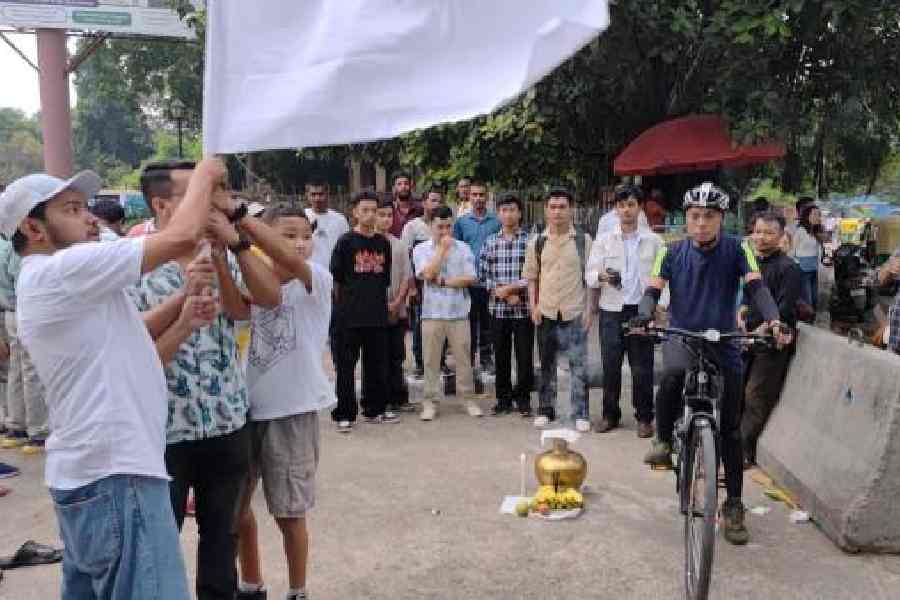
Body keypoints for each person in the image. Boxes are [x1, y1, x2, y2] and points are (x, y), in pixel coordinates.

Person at [3, 160, 226, 600]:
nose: (89, 217)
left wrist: (182, 311)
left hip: (91, 476)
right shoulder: (59, 270)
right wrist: (204, 173)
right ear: (33, 228)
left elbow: (128, 335)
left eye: (85, 207)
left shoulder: (57, 282)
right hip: (116, 474)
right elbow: (181, 236)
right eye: (70, 209)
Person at [129, 160, 283, 600]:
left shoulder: (214, 249)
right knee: (159, 544)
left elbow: (254, 305)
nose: (210, 202)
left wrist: (226, 251)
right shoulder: (129, 261)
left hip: (226, 422)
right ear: (160, 204)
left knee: (222, 539)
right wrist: (182, 305)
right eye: (196, 192)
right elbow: (130, 342)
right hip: (164, 431)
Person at [636, 182, 791, 546]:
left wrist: (773, 319)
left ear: (721, 219)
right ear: (685, 219)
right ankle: (662, 438)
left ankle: (734, 504)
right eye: (695, 216)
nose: (702, 223)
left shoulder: (740, 249)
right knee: (672, 374)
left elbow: (757, 288)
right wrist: (643, 316)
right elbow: (652, 291)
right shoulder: (670, 252)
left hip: (725, 340)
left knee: (731, 431)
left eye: (709, 216)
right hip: (682, 335)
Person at [205, 203, 332, 600]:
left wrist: (240, 228)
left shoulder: (316, 281)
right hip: (245, 411)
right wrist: (222, 262)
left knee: (289, 513)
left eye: (305, 235)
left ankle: (298, 590)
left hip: (291, 412)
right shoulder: (252, 278)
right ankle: (251, 584)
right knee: (238, 511)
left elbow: (284, 263)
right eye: (287, 234)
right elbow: (238, 311)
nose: (298, 244)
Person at [586, 185, 664, 437]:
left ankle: (644, 417)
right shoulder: (604, 241)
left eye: (631, 204)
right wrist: (602, 276)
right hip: (611, 309)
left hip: (641, 310)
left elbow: (664, 277)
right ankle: (610, 414)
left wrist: (660, 307)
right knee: (610, 365)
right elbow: (588, 275)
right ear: (615, 209)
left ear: (639, 207)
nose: (626, 210)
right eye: (621, 205)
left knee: (642, 367)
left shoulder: (654, 241)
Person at [523, 188, 593, 431]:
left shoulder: (583, 240)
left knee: (578, 364)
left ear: (571, 209)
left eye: (562, 207)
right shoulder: (537, 242)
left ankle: (581, 412)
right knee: (547, 364)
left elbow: (590, 279)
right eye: (552, 207)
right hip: (547, 311)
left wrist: (589, 310)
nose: (557, 212)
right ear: (546, 210)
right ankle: (546, 409)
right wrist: (533, 306)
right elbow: (532, 278)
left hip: (575, 310)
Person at [330, 190, 397, 432]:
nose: (370, 215)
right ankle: (344, 414)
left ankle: (375, 409)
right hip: (349, 316)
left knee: (376, 365)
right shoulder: (346, 242)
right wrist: (340, 312)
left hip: (376, 314)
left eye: (374, 211)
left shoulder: (383, 244)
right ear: (355, 213)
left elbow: (384, 280)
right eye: (365, 210)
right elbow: (336, 280)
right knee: (346, 368)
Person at [739, 211, 801, 466]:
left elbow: (785, 310)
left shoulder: (789, 269)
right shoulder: (751, 263)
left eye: (769, 233)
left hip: (772, 341)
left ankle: (744, 451)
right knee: (737, 392)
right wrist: (740, 317)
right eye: (758, 231)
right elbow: (746, 299)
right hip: (745, 338)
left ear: (780, 236)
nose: (762, 237)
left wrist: (761, 331)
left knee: (756, 395)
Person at [413, 206, 481, 421]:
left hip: (459, 311)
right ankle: (430, 401)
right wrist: (441, 251)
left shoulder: (463, 248)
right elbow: (427, 273)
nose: (444, 231)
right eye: (439, 227)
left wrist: (444, 281)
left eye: (448, 226)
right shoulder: (420, 249)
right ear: (430, 226)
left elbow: (471, 278)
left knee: (463, 359)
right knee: (431, 360)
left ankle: (468, 398)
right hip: (432, 312)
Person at [478, 192, 533, 417]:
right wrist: (500, 293)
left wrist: (511, 290)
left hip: (523, 308)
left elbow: (533, 274)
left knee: (524, 356)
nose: (508, 214)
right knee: (500, 355)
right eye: (504, 210)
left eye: (512, 210)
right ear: (498, 214)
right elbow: (482, 275)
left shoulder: (530, 241)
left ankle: (523, 399)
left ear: (519, 213)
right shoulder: (490, 242)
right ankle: (503, 399)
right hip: (497, 310)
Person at [0, 236, 48, 454]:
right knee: (31, 373)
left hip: (11, 312)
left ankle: (16, 426)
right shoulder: (16, 246)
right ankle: (38, 431)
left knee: (16, 371)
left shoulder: (8, 246)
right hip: (25, 309)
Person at [453, 180, 501, 374]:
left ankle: (487, 358)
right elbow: (455, 251)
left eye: (482, 195)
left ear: (487, 197)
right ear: (469, 197)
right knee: (469, 323)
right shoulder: (461, 223)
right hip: (469, 281)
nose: (478, 198)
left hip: (490, 281)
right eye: (475, 195)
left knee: (488, 323)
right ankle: (469, 360)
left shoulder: (496, 222)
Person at [374, 194, 414, 413]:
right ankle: (379, 399)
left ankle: (398, 397)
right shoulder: (368, 244)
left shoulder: (399, 245)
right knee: (376, 356)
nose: (386, 219)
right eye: (382, 215)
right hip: (372, 310)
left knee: (396, 354)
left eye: (389, 215)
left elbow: (407, 278)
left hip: (395, 310)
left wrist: (397, 302)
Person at [403, 185, 447, 378]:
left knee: (442, 323)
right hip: (421, 285)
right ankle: (421, 363)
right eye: (433, 200)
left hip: (443, 284)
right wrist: (412, 287)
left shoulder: (446, 225)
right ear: (424, 203)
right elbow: (405, 258)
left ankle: (441, 362)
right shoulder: (412, 227)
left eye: (439, 200)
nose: (436, 204)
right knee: (421, 325)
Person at [303, 180, 349, 267]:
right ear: (307, 195)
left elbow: (346, 249)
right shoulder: (301, 217)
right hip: (307, 272)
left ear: (327, 194)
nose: (317, 198)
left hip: (332, 273)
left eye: (321, 194)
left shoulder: (340, 220)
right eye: (313, 194)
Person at [790, 203, 824, 310]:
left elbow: (819, 250)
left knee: (814, 298)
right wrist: (797, 265)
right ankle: (807, 321)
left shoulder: (816, 232)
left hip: (814, 268)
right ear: (807, 216)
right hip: (802, 270)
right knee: (807, 299)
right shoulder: (800, 231)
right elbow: (792, 251)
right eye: (814, 215)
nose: (817, 217)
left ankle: (811, 320)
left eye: (818, 215)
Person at [389, 172, 421, 238]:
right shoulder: (389, 209)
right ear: (394, 188)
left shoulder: (420, 209)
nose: (403, 187)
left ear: (411, 186)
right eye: (399, 184)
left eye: (406, 183)